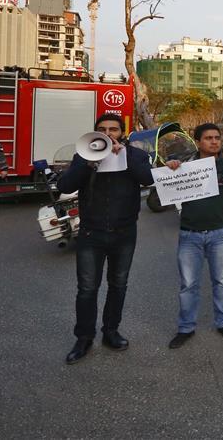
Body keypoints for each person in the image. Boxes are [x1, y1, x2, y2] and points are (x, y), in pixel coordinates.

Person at [57, 114, 154, 364]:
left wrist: (124, 156)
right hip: (91, 233)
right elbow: (65, 186)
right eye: (103, 129)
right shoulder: (84, 156)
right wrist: (87, 163)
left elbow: (147, 179)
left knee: (118, 285)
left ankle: (111, 331)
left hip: (124, 233)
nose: (109, 133)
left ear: (123, 132)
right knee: (87, 288)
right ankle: (84, 338)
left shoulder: (135, 154)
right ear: (95, 133)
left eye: (114, 129)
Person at [166, 123, 223, 349]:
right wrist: (170, 169)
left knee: (222, 282)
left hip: (221, 233)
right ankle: (186, 327)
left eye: (217, 138)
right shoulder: (184, 166)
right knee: (188, 284)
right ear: (197, 141)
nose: (214, 141)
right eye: (208, 138)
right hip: (190, 235)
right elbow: (168, 189)